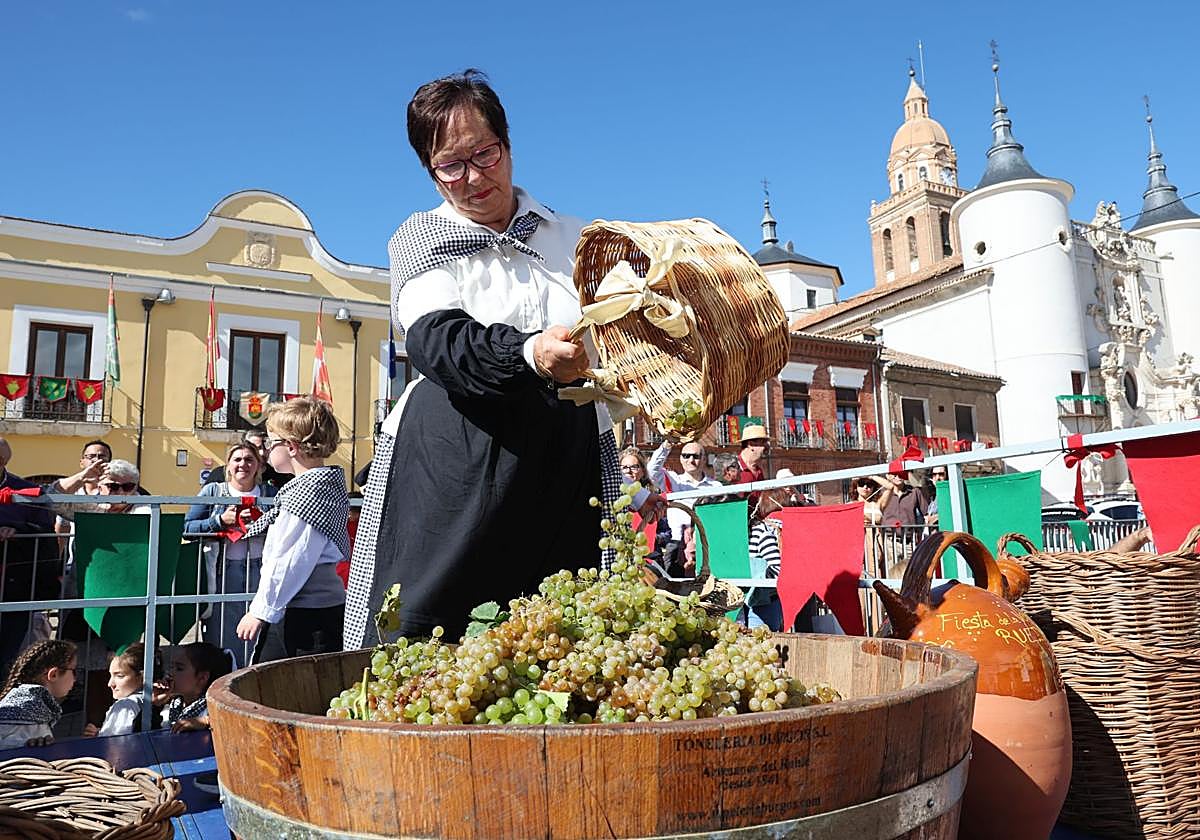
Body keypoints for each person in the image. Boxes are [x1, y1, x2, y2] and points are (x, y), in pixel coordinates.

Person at [344, 69, 656, 646]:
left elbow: (630, 333)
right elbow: (438, 343)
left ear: (508, 144)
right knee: (432, 639)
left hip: (567, 461)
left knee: (564, 636)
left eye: (484, 153)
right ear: (430, 173)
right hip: (457, 458)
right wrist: (532, 351)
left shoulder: (579, 239)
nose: (473, 177)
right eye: (450, 165)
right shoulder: (420, 239)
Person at [236, 397, 349, 660]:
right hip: (312, 611)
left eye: (270, 442)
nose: (265, 449)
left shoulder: (307, 495)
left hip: (306, 617)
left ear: (291, 447)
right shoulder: (319, 487)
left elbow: (290, 560)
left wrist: (261, 610)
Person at [184, 443, 279, 666]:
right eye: (237, 459)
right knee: (222, 635)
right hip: (222, 571)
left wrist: (263, 524)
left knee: (260, 631)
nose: (242, 465)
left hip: (262, 570)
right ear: (228, 465)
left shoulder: (270, 493)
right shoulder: (213, 491)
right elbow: (187, 527)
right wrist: (218, 521)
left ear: (259, 466)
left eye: (249, 460)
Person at [0, 437, 58, 679]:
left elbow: (44, 531)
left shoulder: (23, 490)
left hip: (14, 584)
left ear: (3, 461)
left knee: (6, 655)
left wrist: (18, 532)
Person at [647, 440, 723, 573]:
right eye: (686, 456)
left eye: (696, 456)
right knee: (675, 588)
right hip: (677, 545)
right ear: (681, 459)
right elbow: (651, 470)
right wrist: (667, 445)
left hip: (709, 544)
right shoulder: (674, 480)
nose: (691, 460)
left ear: (704, 459)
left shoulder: (716, 487)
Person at [0, 639, 76, 748]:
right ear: (53, 674)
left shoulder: (31, 705)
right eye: (74, 671)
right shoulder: (30, 710)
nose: (75, 679)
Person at [84, 643, 156, 737]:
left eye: (119, 676)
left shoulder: (125, 706)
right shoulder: (155, 699)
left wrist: (99, 738)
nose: (110, 684)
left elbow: (114, 744)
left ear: (141, 677)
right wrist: (100, 732)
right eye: (111, 675)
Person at [161, 642, 232, 732]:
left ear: (202, 678)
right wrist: (156, 704)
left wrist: (207, 722)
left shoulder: (213, 708)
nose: (170, 673)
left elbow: (231, 725)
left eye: (179, 668)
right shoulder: (176, 703)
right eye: (171, 667)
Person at [204, 431, 293, 490]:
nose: (261, 452)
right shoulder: (218, 476)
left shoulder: (282, 477)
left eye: (265, 447)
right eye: (255, 448)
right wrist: (220, 518)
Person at [735, 424, 771, 512]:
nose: (767, 446)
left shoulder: (759, 470)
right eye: (763, 442)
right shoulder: (733, 467)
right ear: (751, 444)